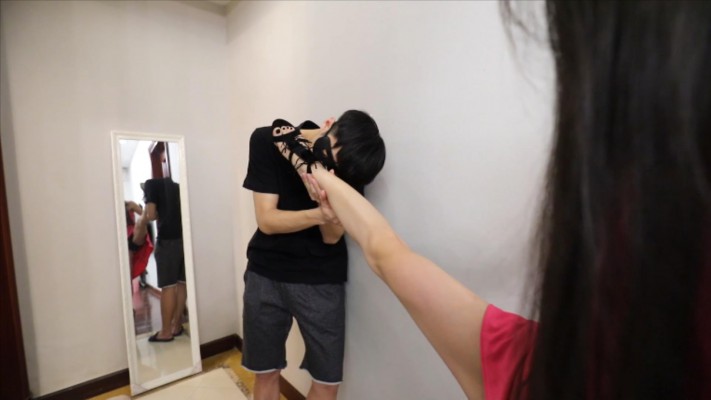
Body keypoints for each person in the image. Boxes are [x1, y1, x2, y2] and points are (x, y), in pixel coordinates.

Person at [293, 2, 711, 399]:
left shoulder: (531, 369)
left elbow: (383, 251)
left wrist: (317, 175)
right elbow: (383, 251)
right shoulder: (534, 365)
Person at [241, 109, 386, 400]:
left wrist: (327, 205)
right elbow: (267, 220)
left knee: (327, 379)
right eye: (330, 155)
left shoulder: (352, 166)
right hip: (265, 272)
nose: (332, 167)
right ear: (329, 125)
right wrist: (320, 213)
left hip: (322, 279)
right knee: (266, 372)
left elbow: (331, 237)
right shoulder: (266, 140)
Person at [143, 177, 187, 343]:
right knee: (182, 284)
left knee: (168, 286)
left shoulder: (150, 185)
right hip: (184, 239)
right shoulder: (178, 187)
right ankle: (176, 325)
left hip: (167, 242)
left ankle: (166, 332)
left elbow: (151, 215)